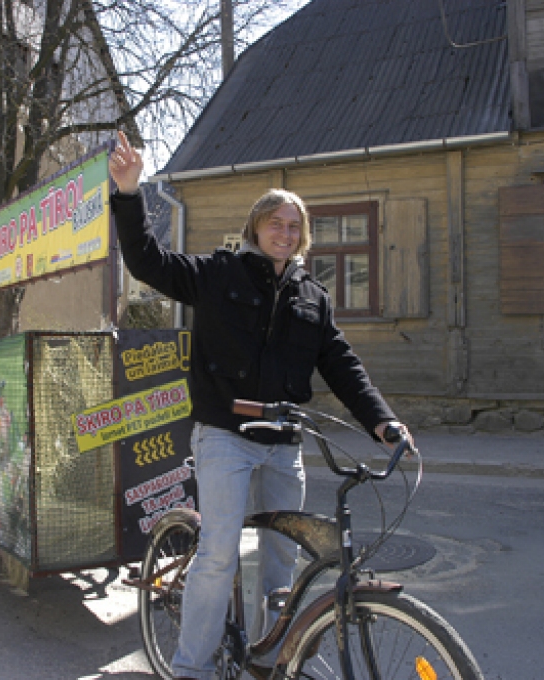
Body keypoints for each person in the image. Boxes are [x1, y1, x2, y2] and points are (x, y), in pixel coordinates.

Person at [108, 131, 411, 680]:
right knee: (220, 554)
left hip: (282, 446)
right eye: (276, 222)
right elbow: (148, 262)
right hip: (225, 436)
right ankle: (192, 668)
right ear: (256, 228)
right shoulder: (217, 274)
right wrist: (128, 195)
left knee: (281, 561)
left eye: (294, 226)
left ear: (303, 238)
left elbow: (342, 364)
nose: (285, 232)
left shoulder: (312, 297)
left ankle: (272, 661)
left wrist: (381, 421)